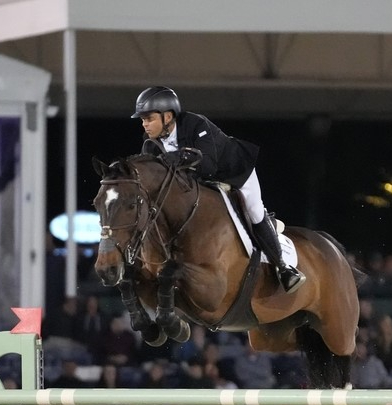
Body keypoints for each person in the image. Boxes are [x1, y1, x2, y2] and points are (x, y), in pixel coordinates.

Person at [131, 86, 306, 294]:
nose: (144, 124)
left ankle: (284, 268)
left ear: (167, 116)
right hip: (203, 186)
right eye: (143, 120)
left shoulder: (196, 124)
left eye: (149, 118)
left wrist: (172, 158)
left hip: (235, 172)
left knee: (255, 211)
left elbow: (207, 166)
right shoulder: (150, 144)